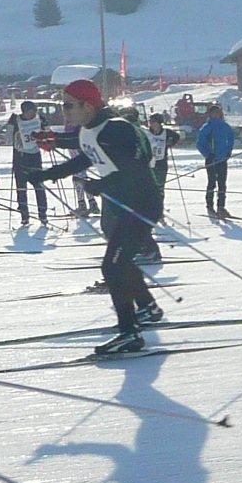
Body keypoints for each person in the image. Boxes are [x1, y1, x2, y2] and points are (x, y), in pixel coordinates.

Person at [33, 80, 166, 356]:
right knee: (121, 261)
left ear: (88, 105)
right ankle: (148, 307)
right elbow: (85, 159)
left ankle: (129, 333)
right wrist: (45, 175)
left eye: (68, 105)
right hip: (124, 202)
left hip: (141, 204)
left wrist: (102, 186)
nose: (64, 110)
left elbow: (136, 168)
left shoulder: (114, 129)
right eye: (62, 105)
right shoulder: (90, 129)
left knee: (113, 266)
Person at [4, 100, 51, 224]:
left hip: (35, 156)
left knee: (39, 186)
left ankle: (43, 214)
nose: (33, 114)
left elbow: (48, 134)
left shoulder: (39, 118)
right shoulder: (15, 120)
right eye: (31, 111)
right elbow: (7, 139)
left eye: (34, 111)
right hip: (20, 157)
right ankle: (24, 216)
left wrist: (46, 130)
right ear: (24, 112)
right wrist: (12, 130)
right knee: (21, 188)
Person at [195, 103, 235, 218]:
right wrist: (207, 154)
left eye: (218, 113)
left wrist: (229, 152)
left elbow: (231, 139)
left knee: (222, 184)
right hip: (211, 159)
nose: (217, 115)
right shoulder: (207, 127)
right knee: (212, 183)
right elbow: (199, 143)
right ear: (210, 114)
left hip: (222, 159)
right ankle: (210, 206)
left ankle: (221, 206)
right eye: (214, 113)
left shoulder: (225, 126)